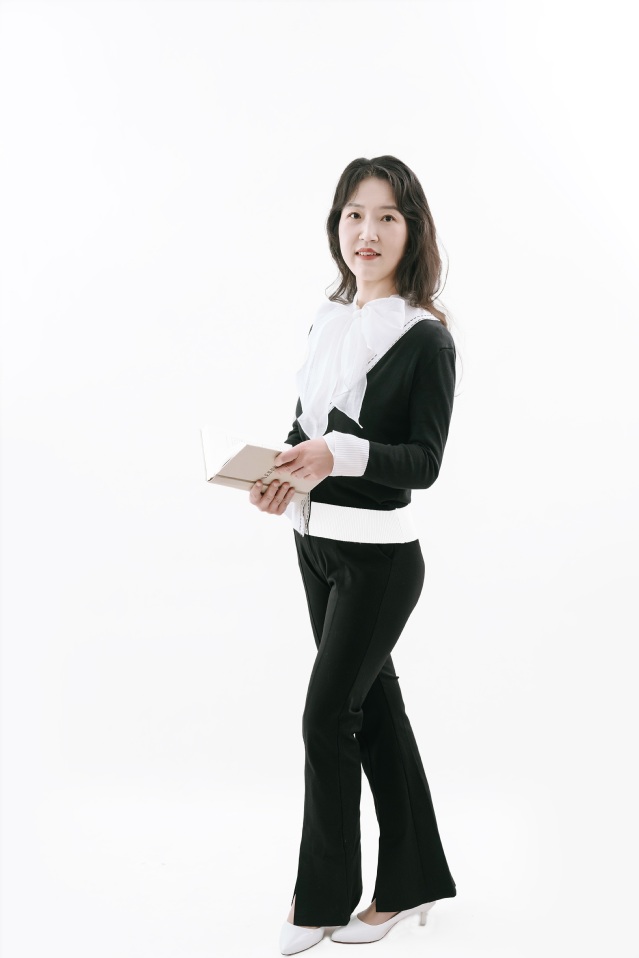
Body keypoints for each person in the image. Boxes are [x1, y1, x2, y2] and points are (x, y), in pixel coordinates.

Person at [248, 155, 458, 955]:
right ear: (336, 225)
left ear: (412, 231)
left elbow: (422, 463)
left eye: (386, 217)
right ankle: (414, 879)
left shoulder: (425, 339)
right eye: (353, 215)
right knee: (374, 720)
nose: (366, 232)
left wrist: (338, 455)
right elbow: (307, 432)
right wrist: (280, 478)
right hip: (316, 548)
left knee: (325, 717)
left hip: (378, 562)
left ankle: (322, 901)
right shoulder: (328, 322)